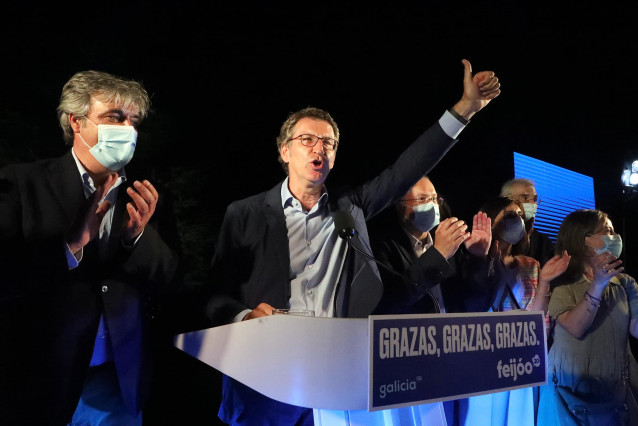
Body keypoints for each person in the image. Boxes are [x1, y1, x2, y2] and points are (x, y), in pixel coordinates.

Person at [204, 59, 501, 425]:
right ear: (285, 151)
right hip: (269, 380)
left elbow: (406, 168)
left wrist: (465, 109)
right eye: (308, 139)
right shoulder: (245, 213)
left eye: (329, 142)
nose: (320, 148)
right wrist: (245, 316)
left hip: (337, 382)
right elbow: (215, 296)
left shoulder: (351, 207)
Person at [0, 71, 181, 425]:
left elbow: (171, 280)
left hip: (116, 382)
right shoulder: (22, 183)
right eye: (114, 117)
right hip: (37, 381)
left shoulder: (147, 193)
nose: (127, 128)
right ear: (76, 122)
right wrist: (70, 246)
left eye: (134, 120)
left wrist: (135, 239)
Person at [458, 196, 569, 426]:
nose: (517, 220)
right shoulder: (473, 261)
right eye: (510, 215)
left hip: (520, 364)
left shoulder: (531, 264)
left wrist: (546, 282)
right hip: (484, 363)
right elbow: (471, 307)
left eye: (520, 215)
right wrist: (485, 259)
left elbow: (539, 324)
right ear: (489, 220)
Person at [537, 209, 638, 425]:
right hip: (567, 399)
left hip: (614, 400)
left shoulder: (625, 283)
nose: (615, 237)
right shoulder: (560, 281)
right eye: (607, 231)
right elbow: (575, 327)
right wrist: (598, 284)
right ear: (583, 240)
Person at [500, 178, 555, 267]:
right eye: (525, 198)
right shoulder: (496, 236)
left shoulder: (544, 243)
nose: (532, 203)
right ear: (507, 200)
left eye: (535, 199)